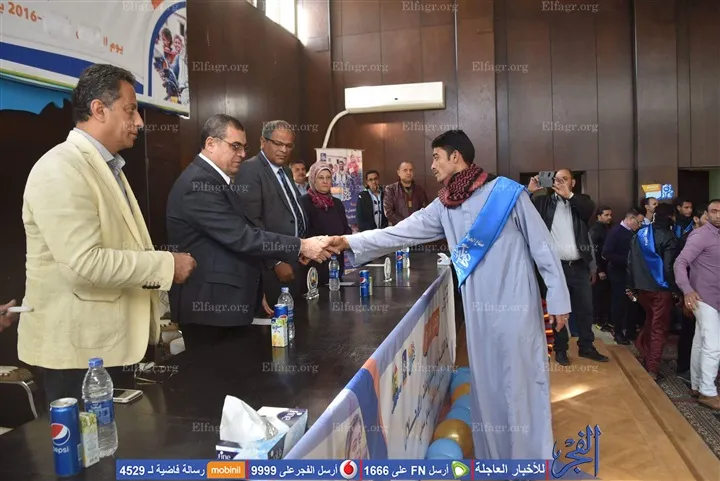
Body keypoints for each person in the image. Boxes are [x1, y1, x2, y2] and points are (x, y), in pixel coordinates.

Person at [326, 130, 571, 460]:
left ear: (456, 157)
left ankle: (532, 463)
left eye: (436, 157)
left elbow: (543, 247)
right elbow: (398, 233)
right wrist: (348, 241)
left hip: (518, 307)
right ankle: (496, 462)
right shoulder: (444, 205)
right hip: (478, 314)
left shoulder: (507, 193)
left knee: (523, 386)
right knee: (488, 390)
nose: (432, 165)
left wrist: (557, 297)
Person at [20, 64, 197, 402]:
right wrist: (166, 266)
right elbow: (83, 264)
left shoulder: (106, 166)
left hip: (109, 348)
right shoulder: (61, 168)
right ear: (99, 109)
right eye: (131, 110)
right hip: (78, 356)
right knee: (88, 437)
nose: (139, 122)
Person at [167, 115, 334, 350]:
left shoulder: (216, 179)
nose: (243, 154)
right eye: (235, 146)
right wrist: (301, 245)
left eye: (244, 147)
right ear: (211, 144)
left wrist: (254, 287)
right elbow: (242, 236)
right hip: (210, 307)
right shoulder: (199, 184)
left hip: (226, 303)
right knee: (215, 372)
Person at [528, 169, 608, 365]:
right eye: (557, 179)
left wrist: (569, 196)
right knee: (557, 309)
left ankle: (586, 347)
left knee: (585, 308)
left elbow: (589, 209)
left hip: (579, 267)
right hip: (555, 268)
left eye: (565, 179)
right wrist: (530, 191)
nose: (561, 182)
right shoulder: (543, 202)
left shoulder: (581, 201)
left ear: (573, 183)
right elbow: (524, 211)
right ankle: (561, 349)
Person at [236, 120, 308, 303]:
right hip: (271, 266)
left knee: (298, 315)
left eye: (288, 145)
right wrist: (275, 261)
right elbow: (251, 222)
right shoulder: (250, 169)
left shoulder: (285, 170)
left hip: (295, 257)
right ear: (263, 141)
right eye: (278, 143)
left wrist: (302, 247)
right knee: (277, 318)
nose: (284, 150)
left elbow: (293, 211)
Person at [673, 199, 720, 410]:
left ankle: (697, 384)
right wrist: (687, 290)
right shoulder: (701, 235)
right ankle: (708, 392)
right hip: (702, 297)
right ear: (707, 214)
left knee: (701, 342)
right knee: (713, 345)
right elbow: (680, 263)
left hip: (715, 297)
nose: (718, 215)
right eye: (714, 211)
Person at [626, 203, 680, 380]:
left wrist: (631, 286)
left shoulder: (640, 233)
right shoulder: (669, 237)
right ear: (671, 217)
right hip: (660, 290)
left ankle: (645, 353)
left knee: (650, 323)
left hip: (642, 289)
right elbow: (669, 268)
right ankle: (653, 369)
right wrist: (676, 290)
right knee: (658, 329)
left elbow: (630, 262)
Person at [299, 163, 352, 286]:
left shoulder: (337, 203)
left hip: (335, 262)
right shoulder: (303, 202)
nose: (325, 181)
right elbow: (303, 233)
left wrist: (342, 242)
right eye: (321, 177)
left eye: (328, 177)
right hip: (313, 263)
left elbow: (346, 230)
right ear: (313, 179)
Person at [675, 204, 708, 382]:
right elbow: (680, 266)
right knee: (690, 332)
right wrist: (684, 293)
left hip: (709, 293)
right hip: (691, 292)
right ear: (696, 219)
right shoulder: (688, 239)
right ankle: (684, 368)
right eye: (708, 217)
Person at [603, 210, 644, 344]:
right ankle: (618, 332)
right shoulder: (616, 232)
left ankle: (630, 330)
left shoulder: (631, 232)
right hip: (618, 272)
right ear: (630, 219)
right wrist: (628, 260)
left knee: (631, 302)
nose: (640, 225)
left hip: (630, 273)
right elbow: (607, 253)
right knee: (619, 302)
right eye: (638, 222)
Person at [383, 161, 429, 226]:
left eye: (411, 170)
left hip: (416, 227)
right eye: (405, 170)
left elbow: (425, 210)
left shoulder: (419, 190)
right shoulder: (391, 189)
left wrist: (415, 223)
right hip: (398, 228)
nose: (408, 173)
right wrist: (405, 224)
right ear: (398, 173)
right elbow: (388, 212)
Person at [589, 206, 613, 330]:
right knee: (599, 295)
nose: (609, 217)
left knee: (604, 295)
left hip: (606, 266)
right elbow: (593, 252)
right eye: (606, 215)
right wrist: (599, 270)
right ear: (599, 216)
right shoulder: (595, 230)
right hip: (600, 268)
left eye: (610, 215)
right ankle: (597, 319)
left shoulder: (606, 228)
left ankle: (603, 319)